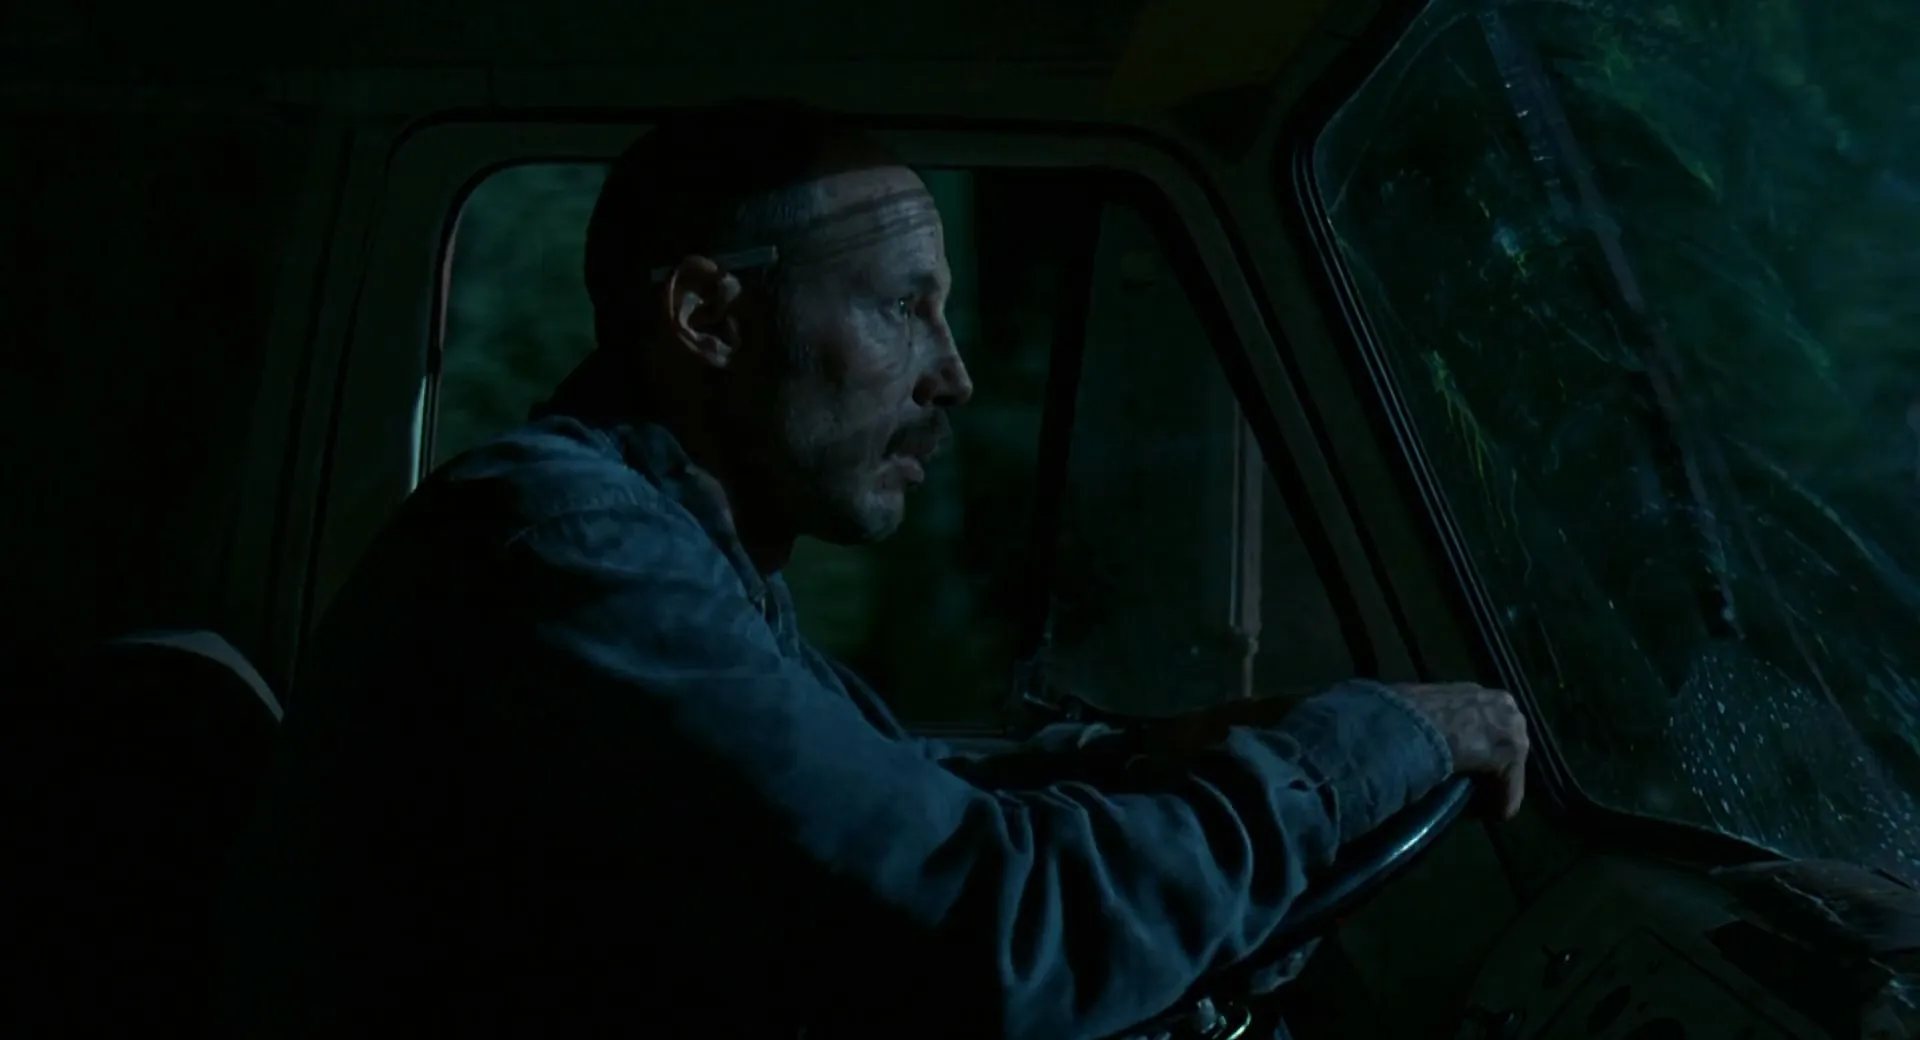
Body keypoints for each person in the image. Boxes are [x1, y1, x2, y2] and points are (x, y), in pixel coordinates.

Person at [217, 99, 1529, 1039]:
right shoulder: (573, 552)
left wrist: (1162, 758)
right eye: (904, 307)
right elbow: (991, 929)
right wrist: (1359, 755)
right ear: (708, 317)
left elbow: (898, 799)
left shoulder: (677, 550)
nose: (951, 375)